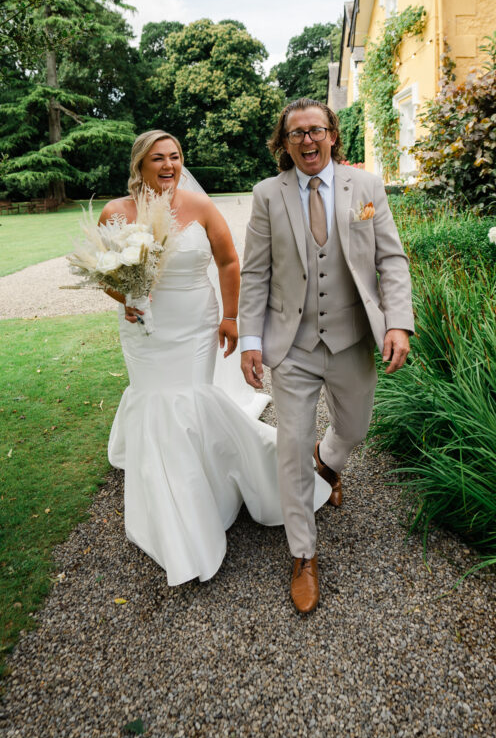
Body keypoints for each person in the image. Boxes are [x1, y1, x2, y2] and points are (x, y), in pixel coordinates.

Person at [99, 129, 331, 586]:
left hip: (194, 326)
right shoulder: (116, 212)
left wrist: (230, 319)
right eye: (158, 159)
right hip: (145, 332)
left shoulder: (201, 208)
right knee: (156, 403)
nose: (169, 166)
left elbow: (228, 262)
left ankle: (210, 492)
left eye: (175, 157)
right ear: (139, 165)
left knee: (188, 400)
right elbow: (105, 273)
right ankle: (174, 507)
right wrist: (124, 298)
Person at [239, 99, 414, 613]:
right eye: (296, 134)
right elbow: (254, 273)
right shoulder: (267, 195)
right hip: (292, 344)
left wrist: (398, 321)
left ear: (333, 135)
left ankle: (329, 462)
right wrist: (252, 340)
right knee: (291, 446)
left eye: (316, 130)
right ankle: (303, 552)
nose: (307, 141)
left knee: (354, 429)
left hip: (352, 337)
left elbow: (391, 258)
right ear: (284, 144)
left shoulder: (367, 188)